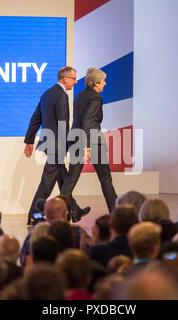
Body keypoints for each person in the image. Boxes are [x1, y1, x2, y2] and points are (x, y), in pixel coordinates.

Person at [24, 66, 89, 225]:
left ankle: (74, 210)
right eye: (73, 78)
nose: (75, 82)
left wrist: (29, 140)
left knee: (64, 180)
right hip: (57, 146)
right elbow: (63, 125)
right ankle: (34, 216)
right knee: (47, 183)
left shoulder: (47, 94)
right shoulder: (61, 96)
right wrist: (68, 147)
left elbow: (35, 118)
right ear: (64, 78)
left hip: (49, 143)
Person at [60, 68, 118, 217]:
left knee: (70, 181)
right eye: (103, 81)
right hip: (91, 141)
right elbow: (89, 121)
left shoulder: (80, 95)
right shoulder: (96, 98)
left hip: (75, 138)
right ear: (96, 83)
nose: (105, 83)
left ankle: (59, 212)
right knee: (105, 179)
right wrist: (87, 146)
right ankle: (117, 214)